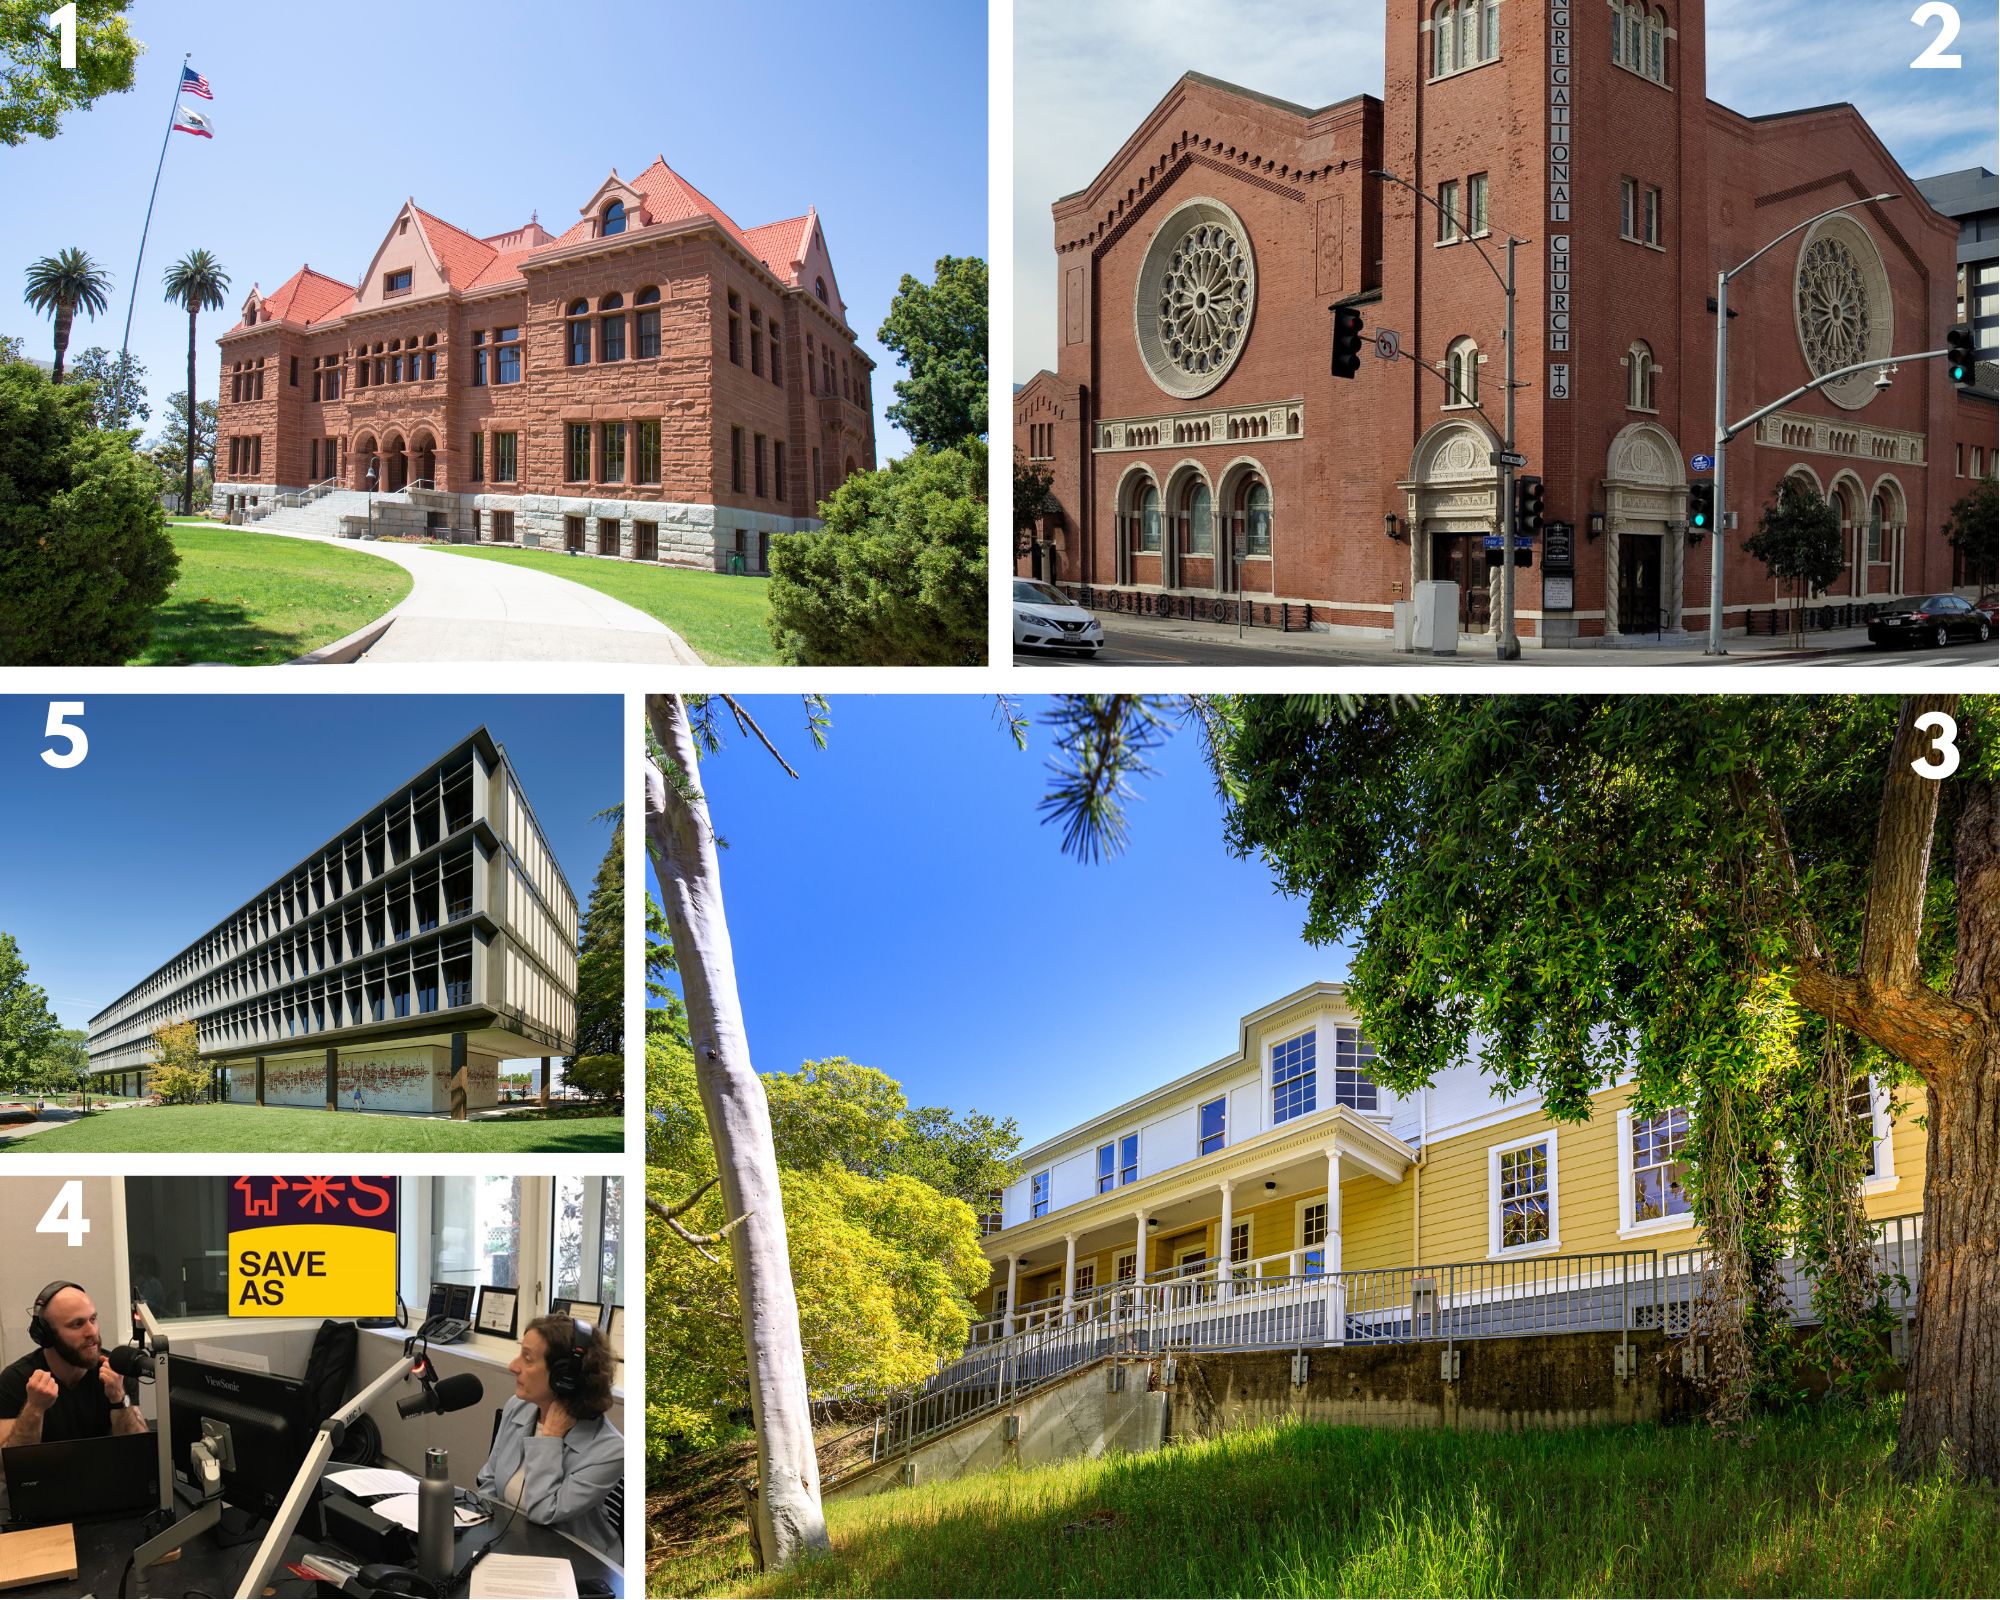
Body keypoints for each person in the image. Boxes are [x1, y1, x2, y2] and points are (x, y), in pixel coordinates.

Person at [477, 1314, 621, 1557]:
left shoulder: (611, 1451)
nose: (513, 1365)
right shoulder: (517, 1407)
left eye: (528, 1359)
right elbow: (488, 1481)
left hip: (577, 1564)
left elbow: (543, 1511)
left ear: (565, 1377)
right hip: (512, 1544)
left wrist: (550, 1439)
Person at [0, 1282, 147, 1448]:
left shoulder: (117, 1370)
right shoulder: (15, 1380)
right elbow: (5, 1469)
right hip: (45, 1474)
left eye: (93, 1319)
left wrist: (119, 1397)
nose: (91, 1331)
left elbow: (137, 1451)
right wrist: (34, 1408)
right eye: (77, 1324)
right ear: (46, 1335)